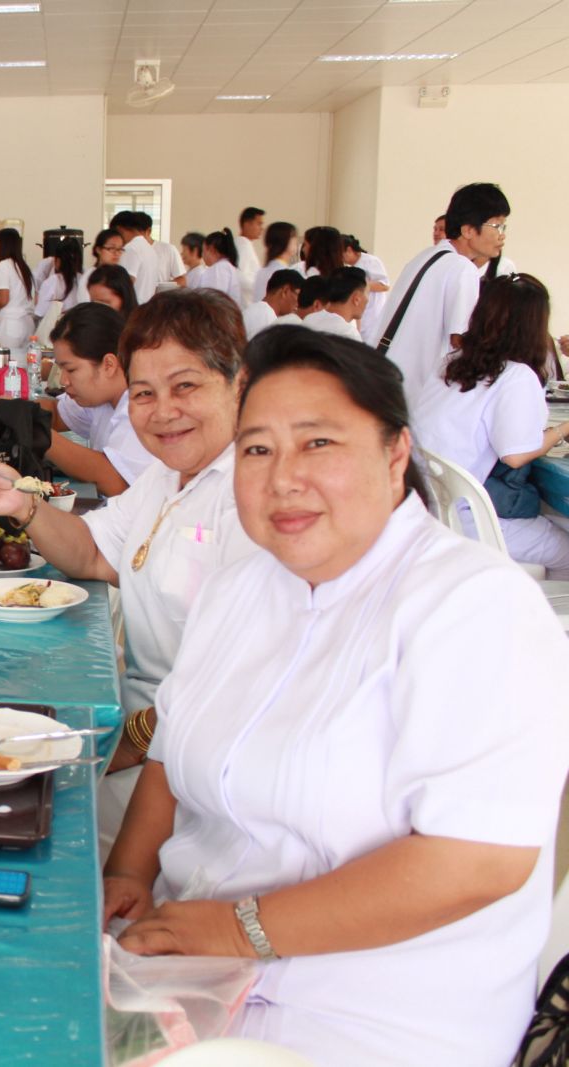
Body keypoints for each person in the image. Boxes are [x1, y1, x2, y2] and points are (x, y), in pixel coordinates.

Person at [103, 327, 569, 1066]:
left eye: (318, 442)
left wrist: (236, 929)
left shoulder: (475, 605)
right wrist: (128, 874)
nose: (283, 477)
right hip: (194, 968)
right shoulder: (239, 586)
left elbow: (478, 860)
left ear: (395, 454)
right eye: (257, 449)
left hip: (369, 1014)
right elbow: (171, 746)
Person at [0, 289, 259, 851]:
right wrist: (22, 505)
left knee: (14, 818)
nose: (162, 411)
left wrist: (121, 745)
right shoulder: (165, 477)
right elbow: (94, 553)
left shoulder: (253, 494)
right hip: (139, 716)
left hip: (199, 759)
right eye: (144, 393)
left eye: (185, 386)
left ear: (238, 383)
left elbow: (240, 682)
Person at [419, 274, 569, 576]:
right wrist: (563, 429)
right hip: (471, 519)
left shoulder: (451, 362)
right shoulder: (516, 376)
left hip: (431, 507)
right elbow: (515, 454)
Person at [366, 182, 507, 401]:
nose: (502, 236)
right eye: (497, 226)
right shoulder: (462, 268)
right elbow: (460, 341)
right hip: (412, 392)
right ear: (468, 230)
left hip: (383, 377)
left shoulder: (426, 256)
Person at [35, 303, 154, 493]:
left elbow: (115, 481)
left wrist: (37, 432)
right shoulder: (98, 397)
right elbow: (56, 414)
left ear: (108, 365)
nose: (63, 381)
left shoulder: (141, 406)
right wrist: (8, 409)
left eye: (71, 370)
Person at [340, 235, 391, 338]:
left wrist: (359, 285)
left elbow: (384, 286)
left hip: (372, 316)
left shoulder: (370, 261)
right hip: (360, 316)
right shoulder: (351, 267)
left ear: (349, 250)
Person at [303, 267, 367, 340]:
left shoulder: (309, 319)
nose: (367, 299)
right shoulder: (349, 334)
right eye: (366, 293)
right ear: (357, 299)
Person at [113, 211, 162, 306]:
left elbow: (126, 284)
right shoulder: (149, 249)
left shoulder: (131, 248)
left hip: (132, 308)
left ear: (119, 230)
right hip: (145, 308)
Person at [34, 236, 87, 320]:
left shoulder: (52, 282)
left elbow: (39, 312)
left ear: (58, 260)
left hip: (56, 326)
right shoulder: (84, 280)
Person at [241, 269, 303, 339]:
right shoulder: (266, 317)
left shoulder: (259, 311)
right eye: (299, 296)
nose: (300, 303)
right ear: (285, 291)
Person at [249, 221, 298, 308]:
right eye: (293, 236)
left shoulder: (263, 271)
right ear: (283, 240)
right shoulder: (282, 272)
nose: (296, 240)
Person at [190, 229, 242, 305]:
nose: (202, 255)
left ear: (211, 249)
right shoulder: (225, 267)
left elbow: (213, 299)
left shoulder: (219, 269)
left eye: (203, 251)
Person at [234, 205, 264, 303]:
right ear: (247, 224)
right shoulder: (243, 246)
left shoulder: (244, 244)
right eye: (259, 224)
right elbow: (238, 276)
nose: (261, 228)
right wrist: (260, 286)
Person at [146, 214, 185, 287]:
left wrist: (159, 288)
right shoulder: (127, 251)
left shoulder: (168, 249)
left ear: (148, 231)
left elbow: (182, 280)